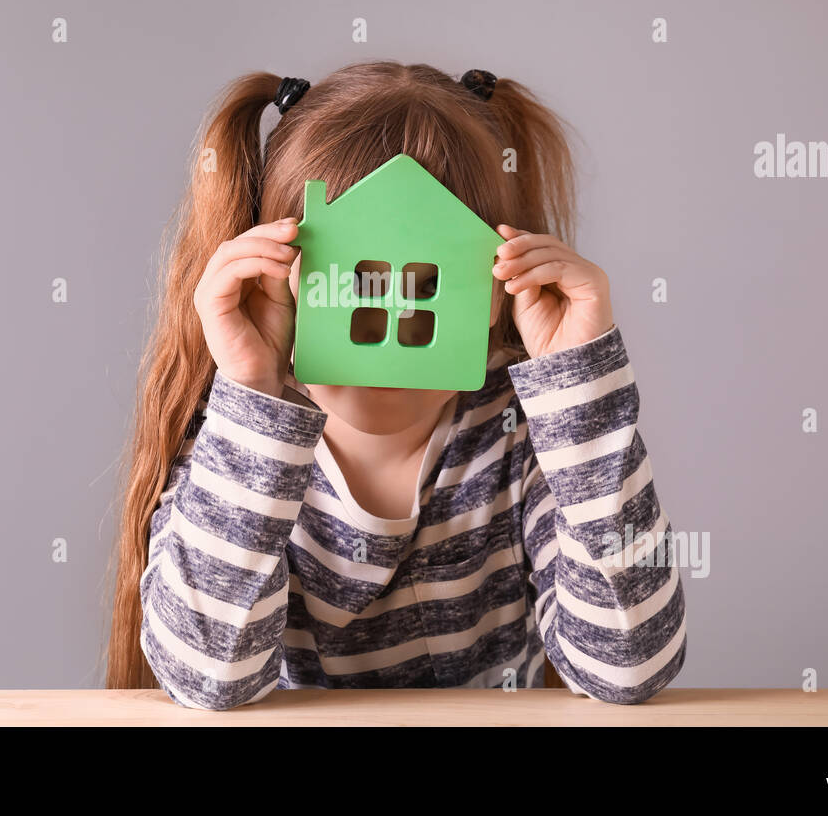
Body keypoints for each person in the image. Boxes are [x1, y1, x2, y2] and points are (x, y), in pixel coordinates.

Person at [106, 61, 686, 708]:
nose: (393, 331)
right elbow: (204, 679)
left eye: (430, 291)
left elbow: (629, 668)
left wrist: (580, 393)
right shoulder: (239, 440)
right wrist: (254, 396)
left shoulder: (520, 429)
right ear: (279, 286)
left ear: (498, 290)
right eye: (354, 288)